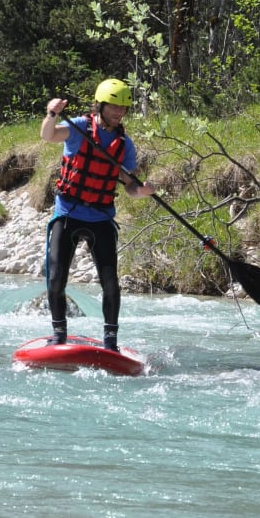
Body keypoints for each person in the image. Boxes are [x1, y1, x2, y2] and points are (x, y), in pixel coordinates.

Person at [40, 79, 155, 350]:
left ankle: (110, 342)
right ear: (100, 105)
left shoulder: (124, 144)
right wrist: (51, 114)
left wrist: (144, 191)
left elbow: (129, 186)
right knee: (56, 279)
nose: (118, 112)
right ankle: (59, 335)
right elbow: (48, 135)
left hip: (101, 218)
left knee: (111, 283)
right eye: (114, 106)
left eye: (123, 108)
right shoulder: (79, 126)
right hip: (68, 214)